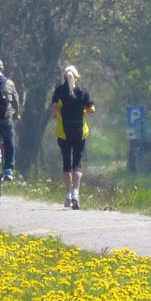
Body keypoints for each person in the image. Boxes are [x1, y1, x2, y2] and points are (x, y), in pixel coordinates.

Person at [51, 65, 95, 210]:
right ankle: (76, 192)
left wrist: (56, 114)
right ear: (76, 77)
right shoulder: (83, 91)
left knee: (66, 163)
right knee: (77, 163)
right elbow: (91, 109)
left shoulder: (59, 91)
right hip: (79, 131)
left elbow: (55, 110)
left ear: (64, 77)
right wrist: (83, 110)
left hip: (63, 131)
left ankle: (68, 196)